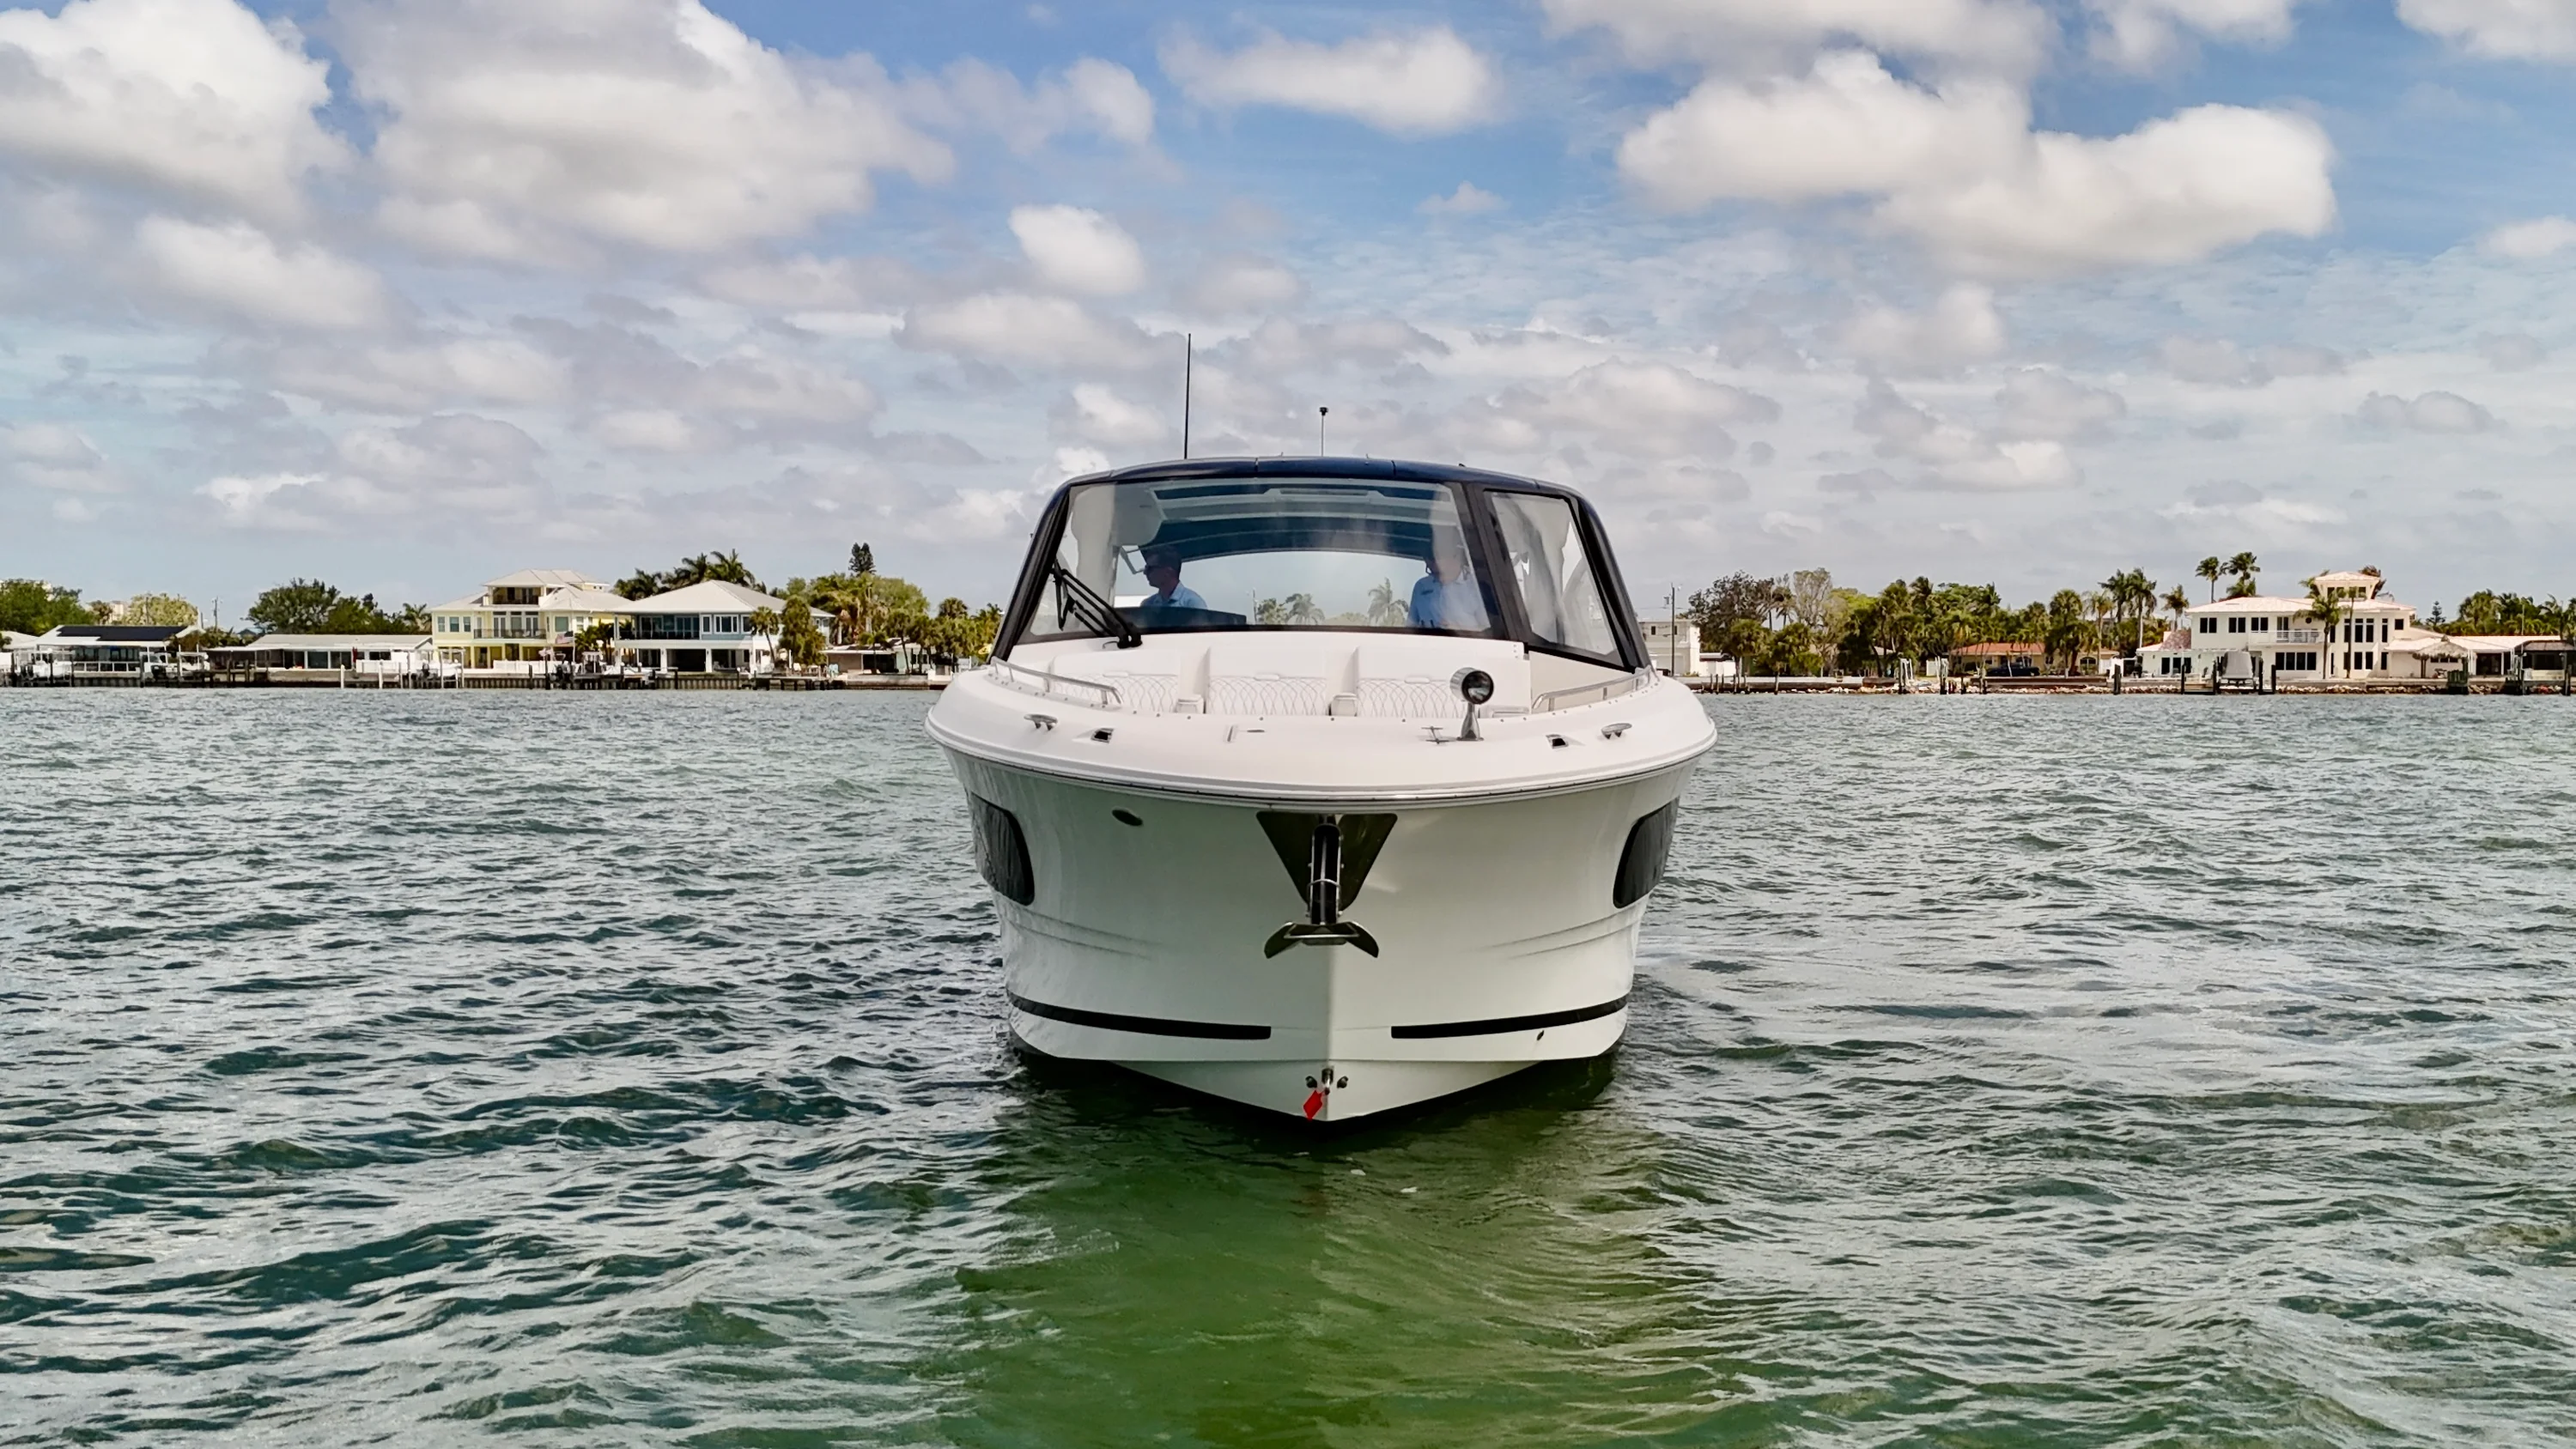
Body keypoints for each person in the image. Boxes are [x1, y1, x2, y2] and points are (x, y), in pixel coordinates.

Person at [1408, 530, 1486, 630]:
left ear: (1454, 556)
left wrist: (1458, 631)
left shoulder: (1476, 587)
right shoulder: (1421, 586)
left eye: (1439, 571)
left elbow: (1489, 631)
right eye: (1431, 571)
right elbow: (1411, 626)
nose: (1437, 576)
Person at [1140, 548, 1206, 610]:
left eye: (1150, 568)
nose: (1145, 572)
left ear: (1168, 572)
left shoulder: (1192, 603)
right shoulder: (1147, 605)